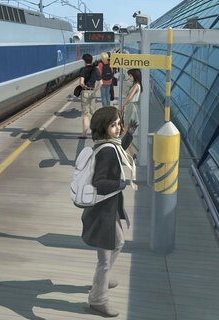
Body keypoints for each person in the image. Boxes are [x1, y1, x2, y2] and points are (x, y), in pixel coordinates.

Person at [82, 106, 137, 318]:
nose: (118, 128)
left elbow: (118, 149)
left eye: (119, 124)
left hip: (108, 208)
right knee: (105, 258)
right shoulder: (106, 150)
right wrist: (120, 183)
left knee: (119, 242)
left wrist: (129, 134)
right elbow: (99, 182)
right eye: (113, 125)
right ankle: (98, 300)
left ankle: (101, 279)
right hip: (102, 211)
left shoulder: (108, 146)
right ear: (104, 127)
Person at [78, 53, 100, 139]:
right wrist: (95, 90)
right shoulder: (96, 70)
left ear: (84, 61)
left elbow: (81, 82)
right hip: (92, 92)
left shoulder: (83, 70)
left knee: (85, 114)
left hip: (85, 92)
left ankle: (84, 134)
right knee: (93, 113)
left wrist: (84, 86)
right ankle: (97, 132)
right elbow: (100, 82)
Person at [122, 68, 142, 158]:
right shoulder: (136, 85)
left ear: (135, 76)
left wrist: (123, 106)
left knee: (126, 132)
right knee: (126, 133)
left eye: (130, 75)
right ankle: (132, 154)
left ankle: (123, 151)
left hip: (131, 107)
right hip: (132, 107)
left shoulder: (135, 86)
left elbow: (129, 97)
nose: (129, 77)